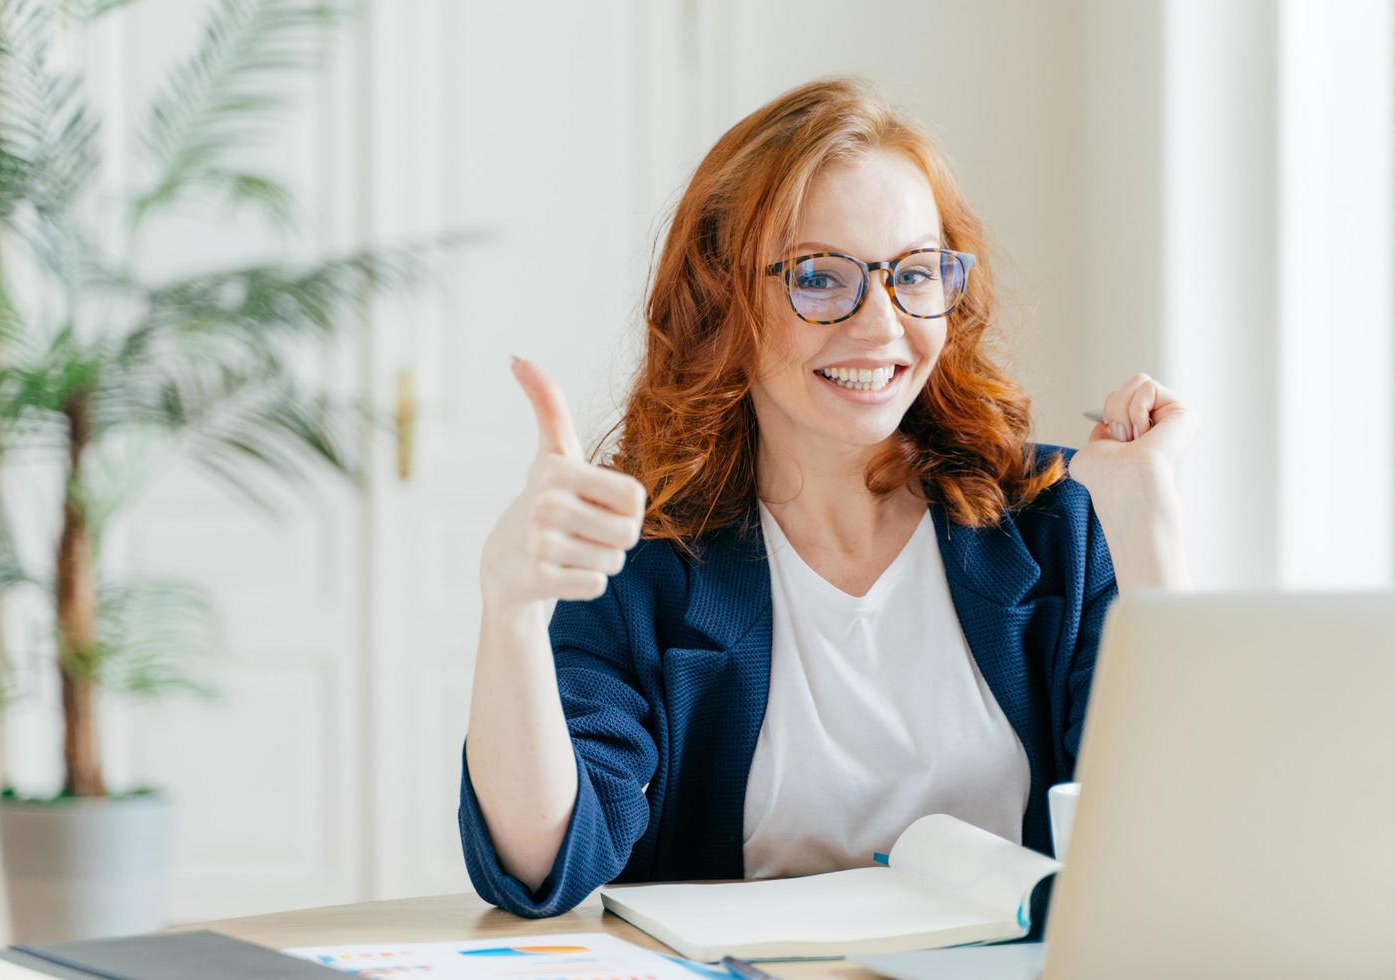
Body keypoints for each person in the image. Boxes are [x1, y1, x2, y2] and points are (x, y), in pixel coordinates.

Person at [460, 75, 1199, 918]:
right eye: (818, 276)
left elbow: (1183, 830)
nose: (881, 323)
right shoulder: (645, 556)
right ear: (721, 297)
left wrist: (1146, 528)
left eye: (915, 273)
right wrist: (511, 609)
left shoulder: (1056, 518)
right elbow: (540, 864)